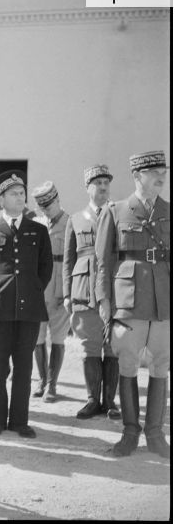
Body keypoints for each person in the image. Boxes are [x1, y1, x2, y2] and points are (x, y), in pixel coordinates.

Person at [95, 151, 170, 458]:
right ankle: (129, 434)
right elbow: (103, 262)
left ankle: (155, 434)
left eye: (163, 170)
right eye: (154, 171)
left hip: (165, 300)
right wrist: (103, 301)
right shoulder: (116, 211)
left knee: (161, 364)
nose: (161, 176)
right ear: (138, 175)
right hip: (128, 300)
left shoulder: (172, 210)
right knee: (127, 364)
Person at [0, 170, 52, 439]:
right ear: (1, 199)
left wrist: (30, 290)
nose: (21, 197)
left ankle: (19, 421)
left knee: (24, 366)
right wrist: (2, 291)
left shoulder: (38, 230)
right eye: (14, 194)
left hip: (29, 308)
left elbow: (45, 269)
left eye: (22, 193)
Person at [63, 164, 120, 420]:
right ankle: (91, 400)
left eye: (106, 183)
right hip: (83, 290)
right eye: (98, 183)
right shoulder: (75, 219)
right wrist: (66, 294)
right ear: (88, 188)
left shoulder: (118, 214)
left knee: (113, 346)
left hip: (113, 289)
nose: (103, 187)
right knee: (90, 346)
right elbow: (68, 259)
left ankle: (110, 402)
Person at [30, 182, 69, 402]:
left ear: (58, 200)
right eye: (43, 207)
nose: (47, 209)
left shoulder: (70, 223)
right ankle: (41, 380)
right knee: (37, 337)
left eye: (50, 204)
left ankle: (52, 385)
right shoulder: (37, 224)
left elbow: (73, 260)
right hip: (40, 289)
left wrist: (69, 292)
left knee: (58, 338)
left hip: (60, 290)